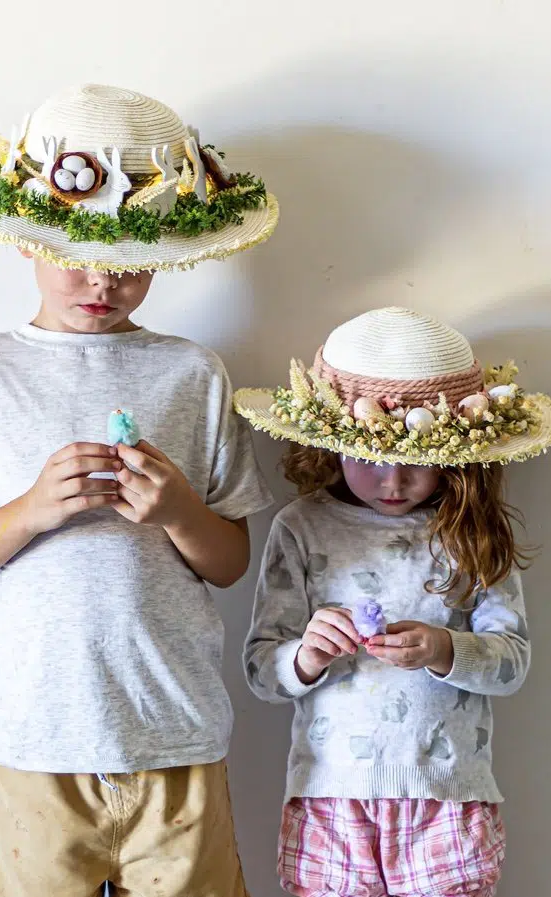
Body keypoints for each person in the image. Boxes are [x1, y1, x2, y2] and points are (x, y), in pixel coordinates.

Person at [0, 83, 278, 897]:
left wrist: (180, 510)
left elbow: (228, 563)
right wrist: (32, 510)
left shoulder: (193, 373)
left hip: (175, 734)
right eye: (73, 253)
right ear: (24, 239)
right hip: (37, 741)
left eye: (126, 263)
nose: (99, 283)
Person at [234, 306, 551, 897]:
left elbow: (513, 664)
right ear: (329, 447)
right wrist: (306, 656)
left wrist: (443, 648)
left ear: (452, 456)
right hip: (330, 795)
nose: (392, 482)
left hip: (448, 794)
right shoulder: (300, 527)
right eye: (369, 458)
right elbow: (261, 673)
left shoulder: (471, 530)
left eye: (415, 461)